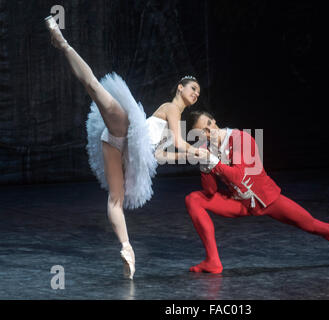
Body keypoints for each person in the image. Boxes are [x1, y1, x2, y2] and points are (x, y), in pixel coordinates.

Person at [45, 16, 208, 279]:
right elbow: (179, 142)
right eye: (193, 88)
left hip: (125, 150)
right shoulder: (171, 108)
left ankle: (127, 248)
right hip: (126, 134)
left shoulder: (175, 116)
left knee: (115, 199)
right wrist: (197, 151)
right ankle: (62, 43)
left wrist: (189, 153)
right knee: (94, 88)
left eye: (199, 92)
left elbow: (159, 154)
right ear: (180, 88)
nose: (196, 94)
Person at [184, 110, 329, 273]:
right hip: (239, 204)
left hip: (267, 199)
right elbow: (210, 192)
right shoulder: (208, 150)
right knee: (194, 199)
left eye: (208, 125)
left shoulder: (241, 139)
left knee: (314, 226)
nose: (208, 131)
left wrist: (214, 163)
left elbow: (238, 176)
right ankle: (213, 261)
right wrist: (205, 166)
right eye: (201, 131)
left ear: (214, 121)